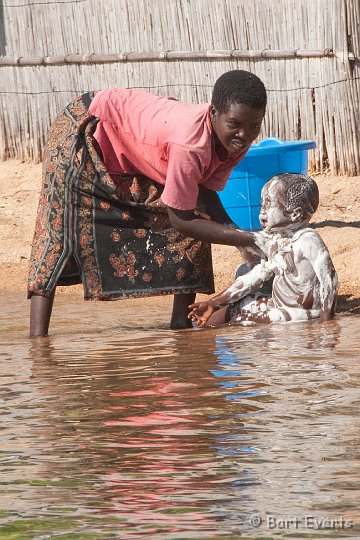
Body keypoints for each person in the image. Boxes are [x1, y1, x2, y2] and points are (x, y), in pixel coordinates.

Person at [28, 69, 267, 337]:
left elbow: (205, 192)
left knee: (198, 216)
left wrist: (241, 237)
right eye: (235, 124)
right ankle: (38, 341)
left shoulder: (234, 138)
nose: (244, 134)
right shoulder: (191, 144)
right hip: (86, 128)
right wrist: (246, 239)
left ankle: (182, 323)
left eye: (253, 126)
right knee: (59, 228)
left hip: (131, 140)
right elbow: (181, 219)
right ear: (213, 114)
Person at [188, 173, 339, 327]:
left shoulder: (308, 240)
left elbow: (329, 279)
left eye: (269, 204)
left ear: (295, 214)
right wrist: (214, 303)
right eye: (262, 204)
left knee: (241, 315)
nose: (262, 211)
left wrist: (327, 322)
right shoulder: (276, 240)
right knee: (231, 310)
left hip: (302, 314)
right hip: (282, 308)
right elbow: (254, 277)